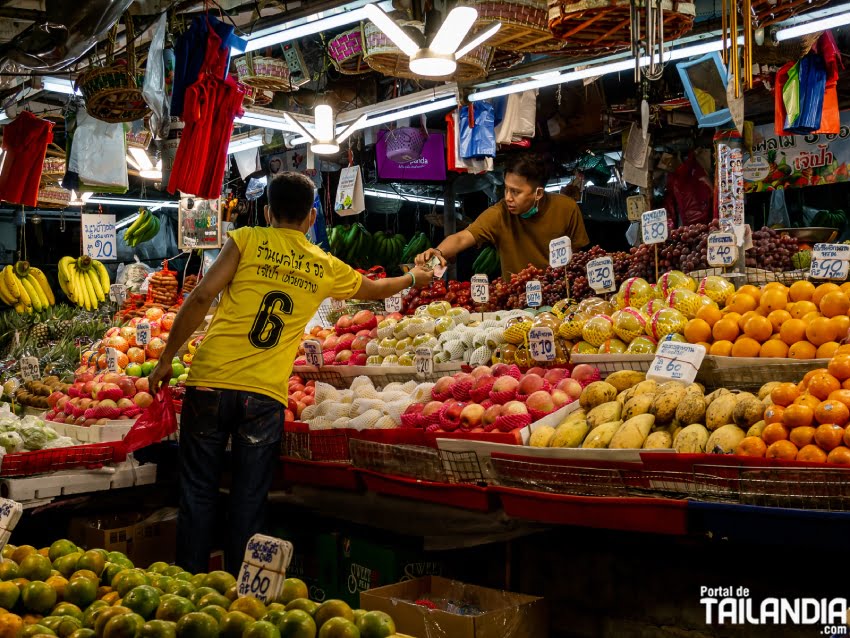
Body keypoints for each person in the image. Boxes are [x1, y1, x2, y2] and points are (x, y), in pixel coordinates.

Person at [149, 172, 433, 575]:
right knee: (250, 500)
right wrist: (413, 279)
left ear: (267, 212)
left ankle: (188, 589)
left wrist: (166, 359)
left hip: (208, 381)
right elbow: (374, 289)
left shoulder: (247, 239)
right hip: (264, 397)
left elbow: (200, 296)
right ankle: (240, 599)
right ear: (311, 216)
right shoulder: (322, 264)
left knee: (197, 493)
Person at [415, 153, 590, 279]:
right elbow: (462, 238)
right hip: (516, 303)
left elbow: (577, 257)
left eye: (516, 192)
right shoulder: (500, 213)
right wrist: (438, 252)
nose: (508, 197)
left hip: (559, 297)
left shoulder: (567, 208)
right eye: (506, 189)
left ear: (538, 193)